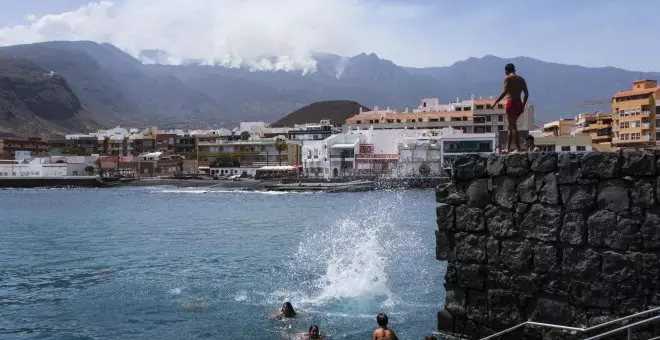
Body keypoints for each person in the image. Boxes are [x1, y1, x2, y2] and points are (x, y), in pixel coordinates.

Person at [492, 63, 529, 153]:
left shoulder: (508, 78)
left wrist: (495, 102)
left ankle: (518, 148)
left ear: (506, 70)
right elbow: (526, 93)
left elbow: (505, 92)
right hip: (519, 103)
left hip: (511, 103)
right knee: (511, 126)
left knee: (513, 128)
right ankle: (507, 148)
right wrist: (523, 105)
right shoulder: (521, 79)